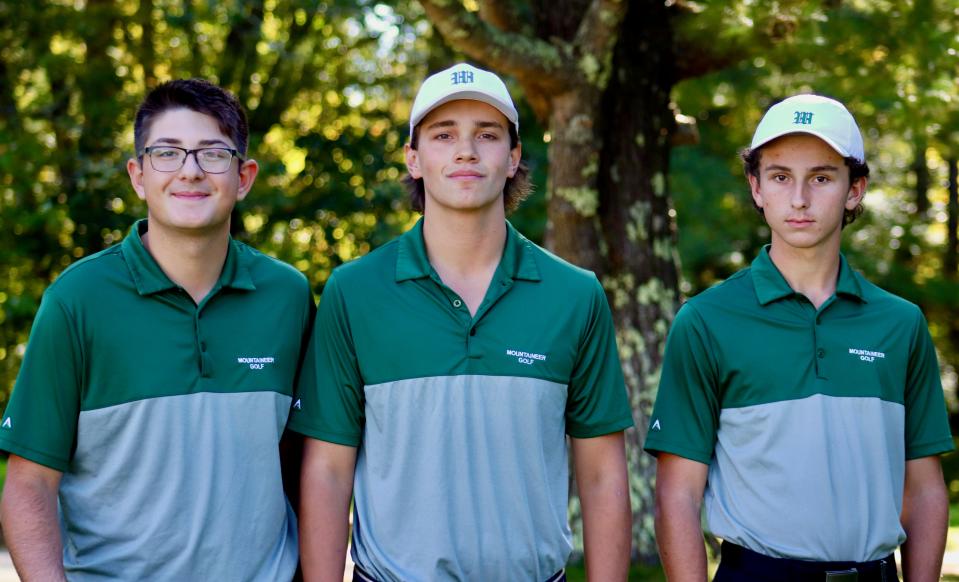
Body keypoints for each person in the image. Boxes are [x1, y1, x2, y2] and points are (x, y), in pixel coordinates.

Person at [289, 63, 634, 581]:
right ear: (414, 158)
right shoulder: (353, 292)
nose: (465, 151)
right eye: (443, 135)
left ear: (514, 157)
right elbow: (328, 471)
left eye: (487, 135)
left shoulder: (575, 294)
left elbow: (603, 474)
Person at [0, 79, 313, 581]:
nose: (190, 171)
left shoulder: (287, 297)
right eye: (167, 153)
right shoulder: (78, 300)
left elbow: (308, 466)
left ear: (245, 176)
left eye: (213, 154)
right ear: (139, 175)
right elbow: (29, 483)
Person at [645, 94, 953, 581]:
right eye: (781, 176)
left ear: (855, 190)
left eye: (822, 178)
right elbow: (677, 494)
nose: (800, 198)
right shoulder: (706, 320)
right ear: (756, 187)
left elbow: (925, 489)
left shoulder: (901, 324)